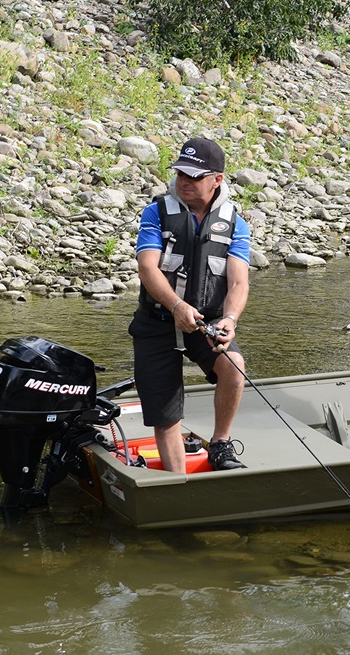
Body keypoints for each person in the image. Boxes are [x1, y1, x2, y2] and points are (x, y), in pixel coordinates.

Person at [130, 136, 251, 472]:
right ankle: (177, 480)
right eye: (181, 173)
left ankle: (221, 444)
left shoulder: (234, 223)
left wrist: (229, 319)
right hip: (157, 322)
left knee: (234, 366)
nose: (184, 181)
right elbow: (147, 268)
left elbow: (239, 281)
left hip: (206, 321)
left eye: (194, 176)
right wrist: (175, 306)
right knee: (166, 412)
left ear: (217, 179)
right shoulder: (157, 212)